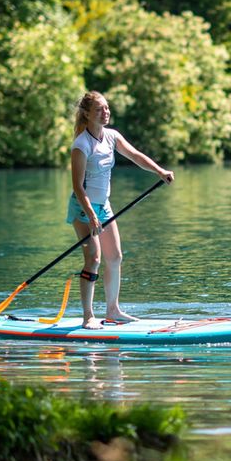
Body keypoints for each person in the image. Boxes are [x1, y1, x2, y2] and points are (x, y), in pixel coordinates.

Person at [68, 91, 174, 328]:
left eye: (106, 108)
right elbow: (77, 187)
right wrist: (92, 215)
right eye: (99, 109)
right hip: (82, 206)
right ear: (86, 114)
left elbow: (135, 155)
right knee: (93, 258)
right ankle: (88, 317)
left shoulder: (112, 136)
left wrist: (159, 171)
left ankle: (113, 311)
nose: (105, 112)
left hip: (103, 206)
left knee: (115, 257)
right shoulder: (81, 144)